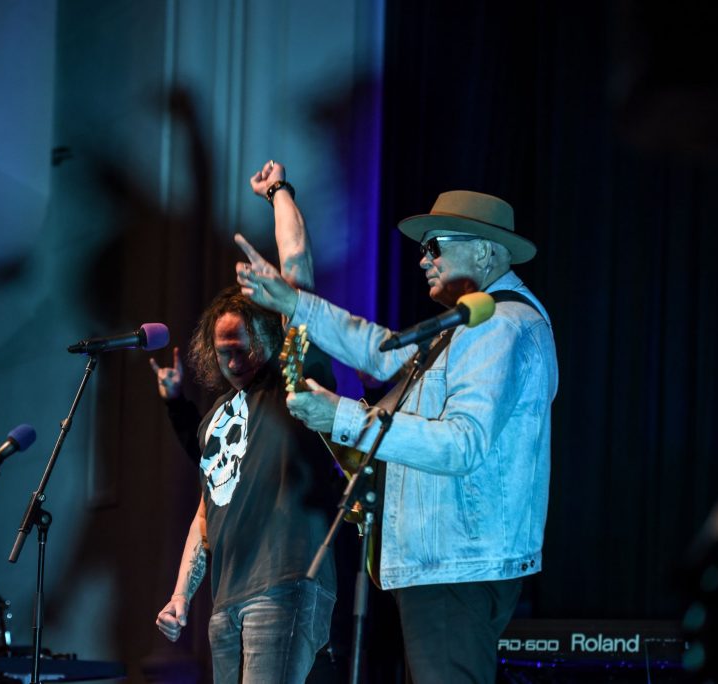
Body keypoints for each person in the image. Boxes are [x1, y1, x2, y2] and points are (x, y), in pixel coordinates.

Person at [235, 189, 558, 683]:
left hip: (456, 563)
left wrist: (342, 418)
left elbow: (462, 444)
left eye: (436, 246)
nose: (424, 259)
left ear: (486, 250)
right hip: (447, 563)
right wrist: (294, 303)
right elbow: (380, 349)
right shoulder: (465, 324)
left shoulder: (499, 326)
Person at [151, 161, 340, 683]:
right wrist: (180, 596)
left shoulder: (292, 378)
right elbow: (207, 510)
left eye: (239, 348)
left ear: (265, 337)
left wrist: (278, 192)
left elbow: (298, 269)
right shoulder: (215, 415)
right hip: (226, 600)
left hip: (285, 582)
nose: (231, 362)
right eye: (221, 352)